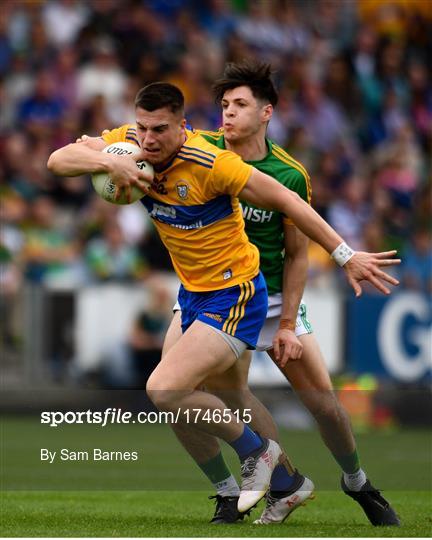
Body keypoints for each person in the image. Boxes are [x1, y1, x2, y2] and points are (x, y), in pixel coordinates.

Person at [47, 81, 400, 517]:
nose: (149, 139)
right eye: (142, 129)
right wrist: (108, 162)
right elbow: (57, 160)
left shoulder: (213, 162)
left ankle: (274, 458)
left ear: (183, 124)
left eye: (159, 129)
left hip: (239, 293)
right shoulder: (131, 143)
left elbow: (289, 203)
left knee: (165, 387)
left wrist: (343, 255)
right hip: (194, 293)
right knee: (218, 398)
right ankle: (258, 489)